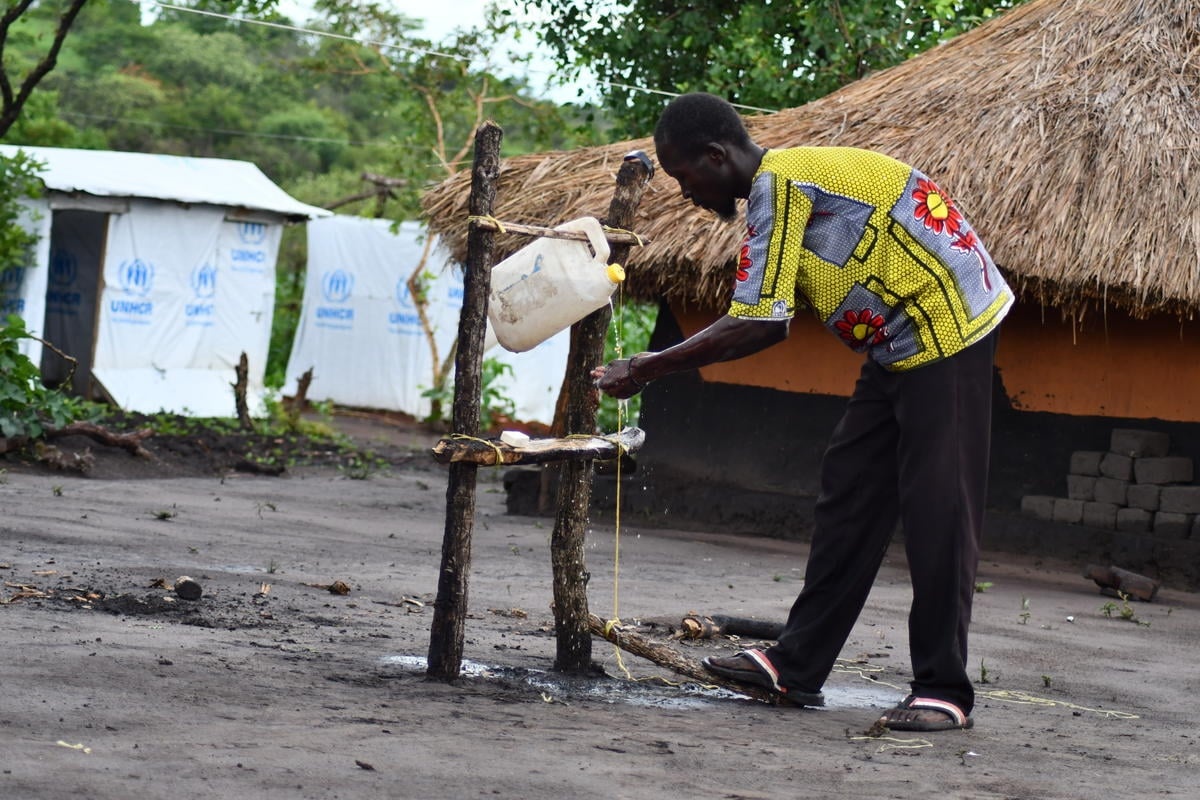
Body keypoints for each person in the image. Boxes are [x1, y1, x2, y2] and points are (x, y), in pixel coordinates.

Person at [591, 92, 1012, 732]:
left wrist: (645, 368)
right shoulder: (780, 186)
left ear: (716, 154)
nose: (685, 192)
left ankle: (944, 691)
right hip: (896, 343)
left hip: (949, 329)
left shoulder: (779, 183)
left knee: (939, 510)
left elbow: (761, 323)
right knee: (850, 494)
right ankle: (796, 665)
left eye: (684, 177)